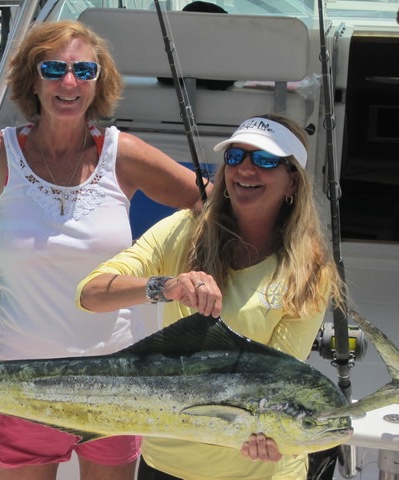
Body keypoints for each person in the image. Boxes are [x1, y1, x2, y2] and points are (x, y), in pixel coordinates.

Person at [0, 20, 210, 480]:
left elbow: (207, 202)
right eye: (53, 68)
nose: (69, 82)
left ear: (100, 82)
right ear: (31, 79)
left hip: (114, 381)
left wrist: (195, 272)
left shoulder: (124, 153)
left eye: (85, 70)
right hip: (21, 382)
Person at [77, 114, 345, 480]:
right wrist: (164, 287)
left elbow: (276, 380)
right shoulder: (184, 229)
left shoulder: (309, 270)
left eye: (265, 160)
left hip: (258, 472)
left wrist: (271, 436)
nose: (246, 170)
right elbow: (90, 294)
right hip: (165, 463)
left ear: (292, 180)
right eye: (236, 157)